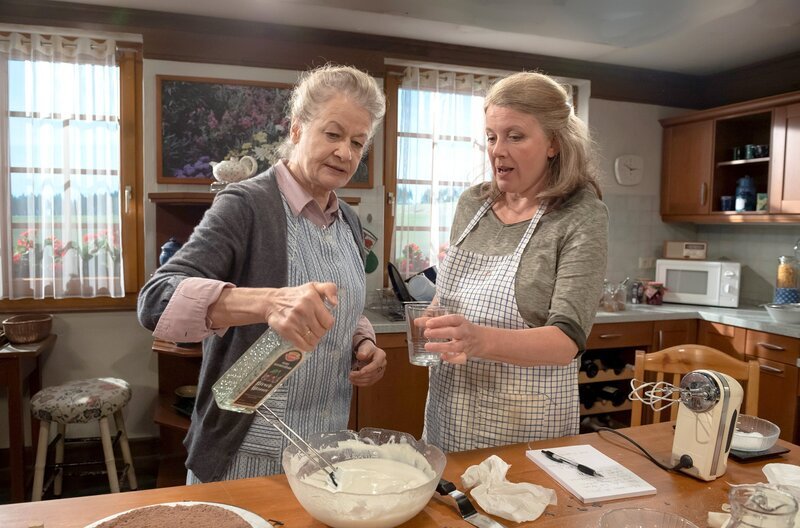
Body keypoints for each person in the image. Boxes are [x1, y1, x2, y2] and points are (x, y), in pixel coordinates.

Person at [137, 64, 388, 483]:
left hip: (326, 450)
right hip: (247, 452)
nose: (345, 152)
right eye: (333, 134)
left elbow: (341, 304)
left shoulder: (348, 220)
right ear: (296, 129)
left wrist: (363, 341)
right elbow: (156, 299)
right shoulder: (246, 205)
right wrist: (269, 302)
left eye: (357, 142)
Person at [421, 71, 608, 452]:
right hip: (450, 420)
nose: (497, 150)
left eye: (515, 136)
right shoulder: (472, 204)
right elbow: (450, 300)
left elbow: (565, 341)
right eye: (491, 136)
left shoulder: (580, 214)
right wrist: (434, 318)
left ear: (554, 143)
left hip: (527, 430)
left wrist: (478, 340)